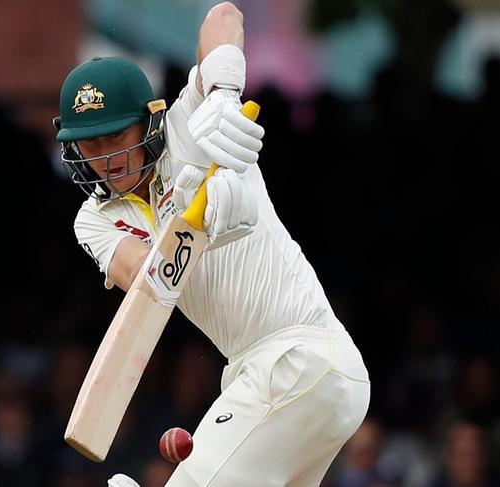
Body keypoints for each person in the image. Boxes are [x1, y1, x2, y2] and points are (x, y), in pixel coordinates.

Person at [54, 2, 370, 485]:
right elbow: (147, 282)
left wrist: (222, 94)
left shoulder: (191, 123)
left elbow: (224, 15)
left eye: (116, 135)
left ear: (149, 121)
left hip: (299, 355)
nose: (107, 157)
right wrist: (195, 227)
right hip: (266, 374)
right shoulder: (95, 219)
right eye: (91, 144)